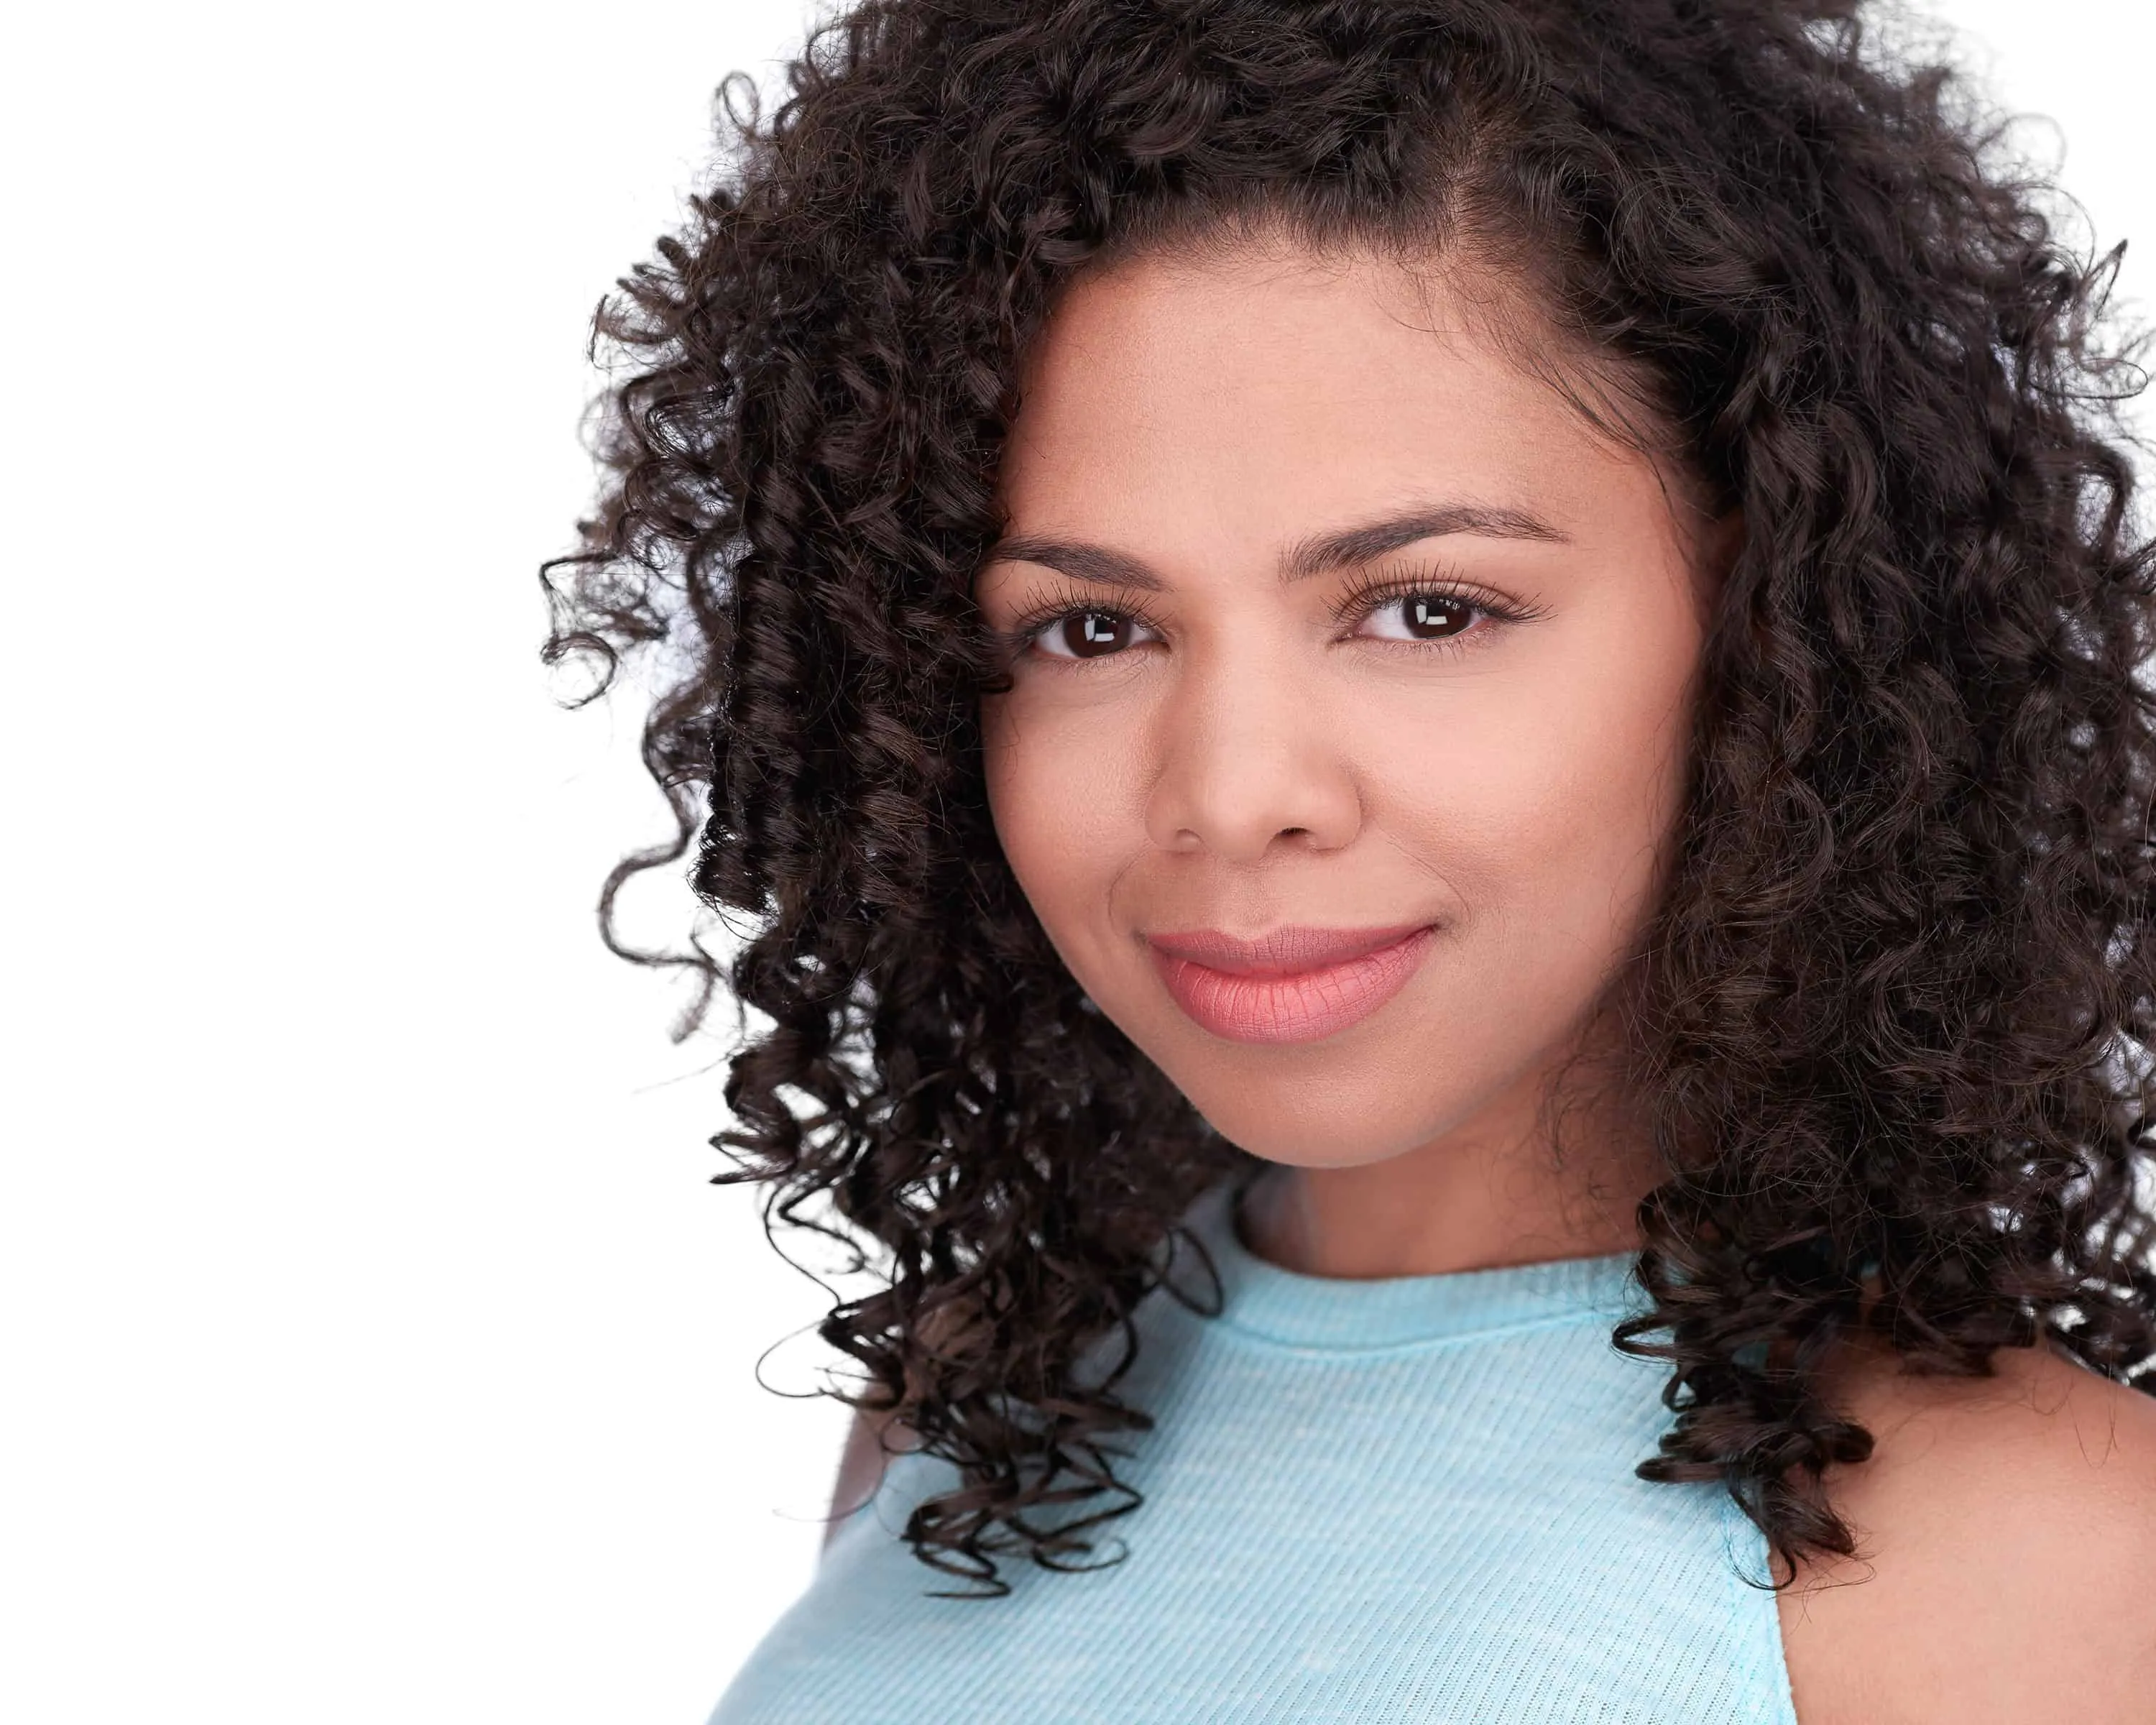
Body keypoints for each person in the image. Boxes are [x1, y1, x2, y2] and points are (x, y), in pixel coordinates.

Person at [543, 0, 2156, 1718]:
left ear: (1771, 615)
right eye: (1094, 628)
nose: (1233, 795)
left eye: (1425, 609)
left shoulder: (2030, 1559)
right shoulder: (981, 1413)